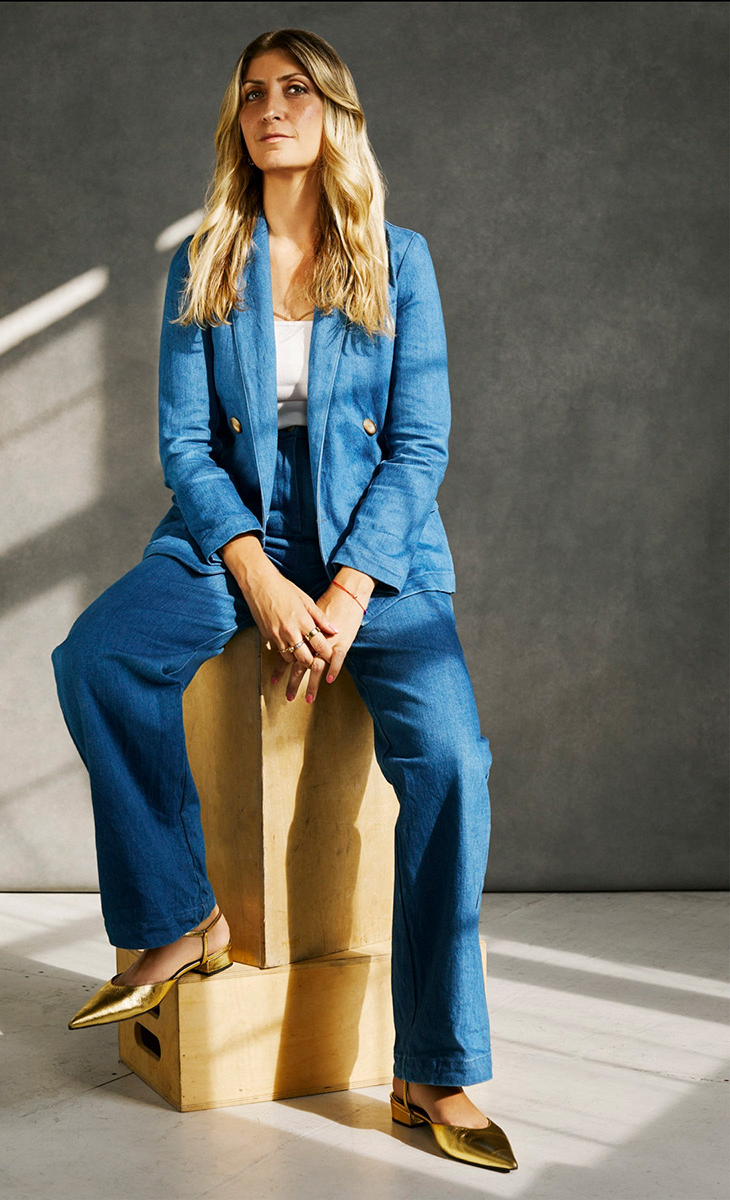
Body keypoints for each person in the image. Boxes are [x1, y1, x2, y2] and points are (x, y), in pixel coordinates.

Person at [50, 28, 514, 1172]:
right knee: (96, 657)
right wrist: (254, 570)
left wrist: (350, 590)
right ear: (237, 123)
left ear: (333, 113)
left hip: (381, 546)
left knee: (451, 758)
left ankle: (434, 1069)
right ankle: (177, 921)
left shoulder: (399, 259)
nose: (271, 108)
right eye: (253, 93)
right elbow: (182, 445)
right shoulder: (205, 258)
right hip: (232, 530)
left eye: (294, 89)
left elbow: (419, 445)